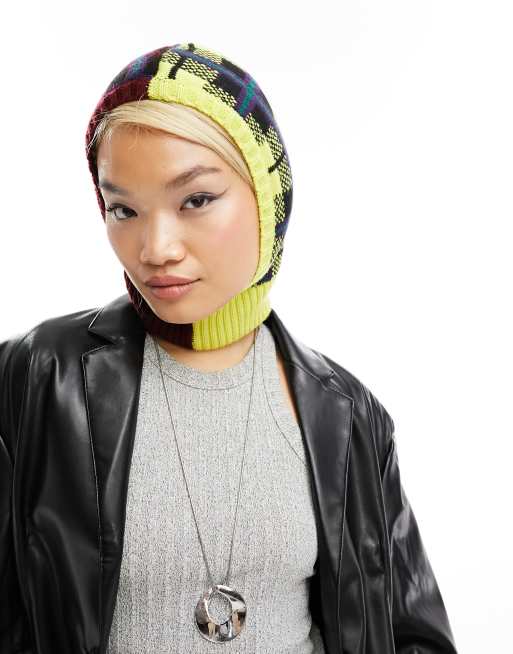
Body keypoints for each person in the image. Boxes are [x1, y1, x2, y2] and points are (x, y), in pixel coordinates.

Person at [0, 42, 458, 654]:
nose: (155, 248)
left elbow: (410, 634)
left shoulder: (347, 414)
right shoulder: (37, 377)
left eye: (196, 200)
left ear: (269, 201)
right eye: (124, 209)